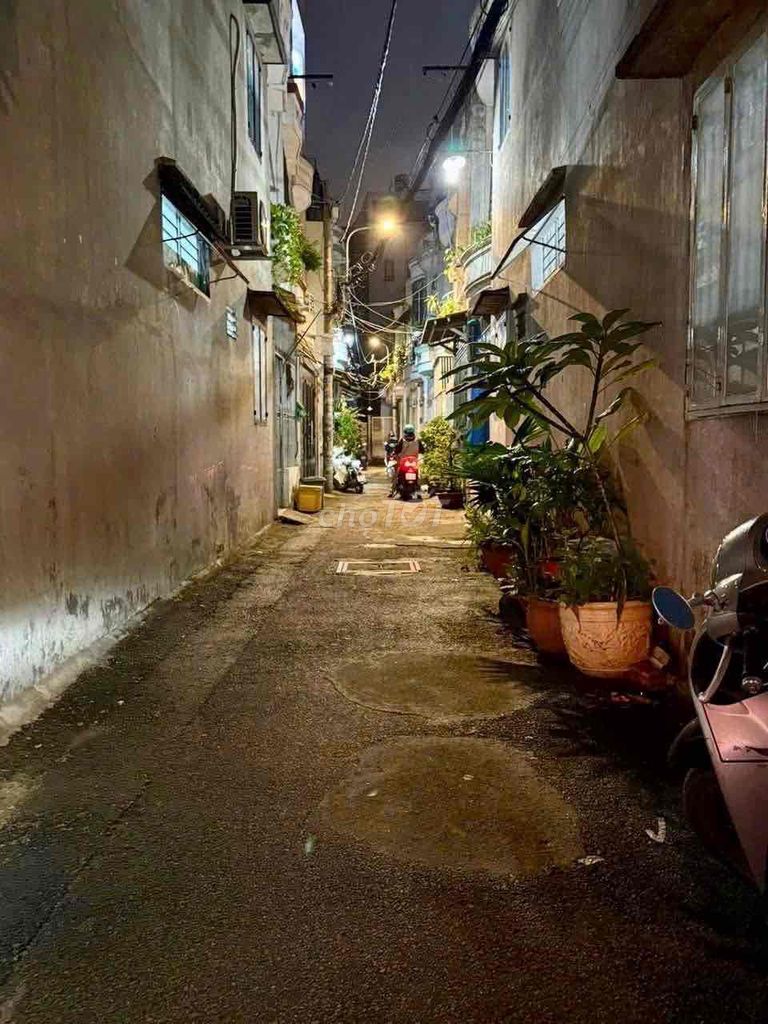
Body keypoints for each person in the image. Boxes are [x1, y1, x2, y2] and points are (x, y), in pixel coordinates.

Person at [390, 424, 424, 497]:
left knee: (396, 474)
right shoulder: (418, 440)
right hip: (414, 463)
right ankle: (418, 491)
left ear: (404, 432)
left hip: (403, 462)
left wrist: (394, 454)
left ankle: (392, 491)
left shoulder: (402, 440)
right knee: (419, 475)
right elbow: (422, 450)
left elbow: (396, 450)